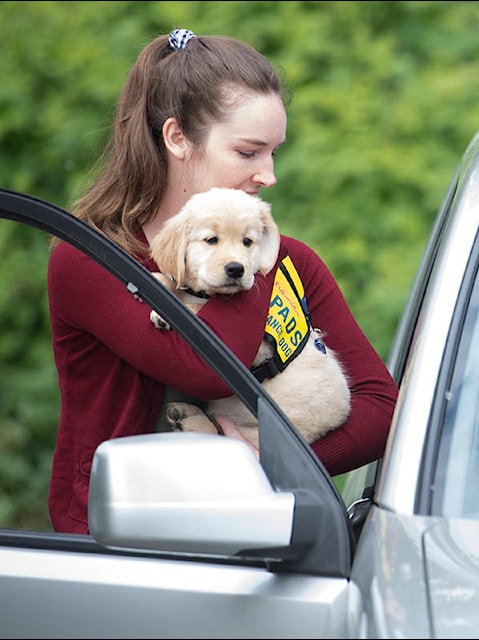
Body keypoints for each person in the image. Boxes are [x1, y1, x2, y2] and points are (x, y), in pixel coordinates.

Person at [46, 28, 399, 534]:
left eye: (274, 152)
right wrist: (249, 257)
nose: (269, 174)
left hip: (254, 535)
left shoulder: (287, 259)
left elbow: (379, 407)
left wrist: (267, 461)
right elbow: (207, 369)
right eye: (249, 152)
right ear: (176, 139)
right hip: (120, 543)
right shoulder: (91, 260)